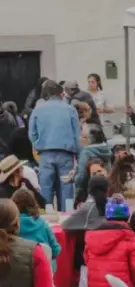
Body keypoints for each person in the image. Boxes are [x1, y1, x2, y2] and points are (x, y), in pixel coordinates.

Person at [28, 80, 82, 208]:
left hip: (45, 154)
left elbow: (32, 133)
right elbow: (76, 135)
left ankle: (46, 216)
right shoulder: (70, 109)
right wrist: (79, 156)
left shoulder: (38, 110)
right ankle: (66, 215)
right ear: (61, 93)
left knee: (45, 188)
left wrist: (38, 145)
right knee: (66, 188)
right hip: (66, 153)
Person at [11, 189, 60, 271]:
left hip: (18, 272)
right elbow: (56, 250)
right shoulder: (43, 224)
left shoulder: (11, 226)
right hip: (45, 271)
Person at [74, 129, 112, 204]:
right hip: (107, 188)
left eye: (84, 137)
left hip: (90, 191)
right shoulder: (107, 150)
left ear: (90, 140)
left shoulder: (86, 152)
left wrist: (73, 178)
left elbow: (81, 177)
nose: (81, 139)